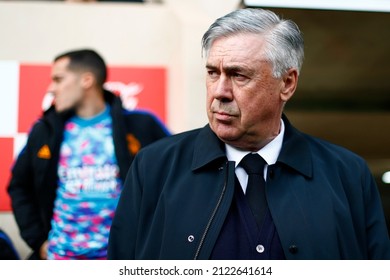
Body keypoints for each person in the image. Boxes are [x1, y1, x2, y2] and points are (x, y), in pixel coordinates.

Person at [107, 8, 390, 260]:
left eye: (238, 75)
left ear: (287, 84)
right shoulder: (155, 167)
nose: (220, 91)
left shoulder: (347, 174)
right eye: (212, 73)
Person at [7, 48, 170, 260]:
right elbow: (19, 186)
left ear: (86, 80)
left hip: (122, 261)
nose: (51, 88)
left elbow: (176, 180)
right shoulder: (45, 131)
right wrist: (38, 241)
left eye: (58, 79)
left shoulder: (141, 126)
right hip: (60, 259)